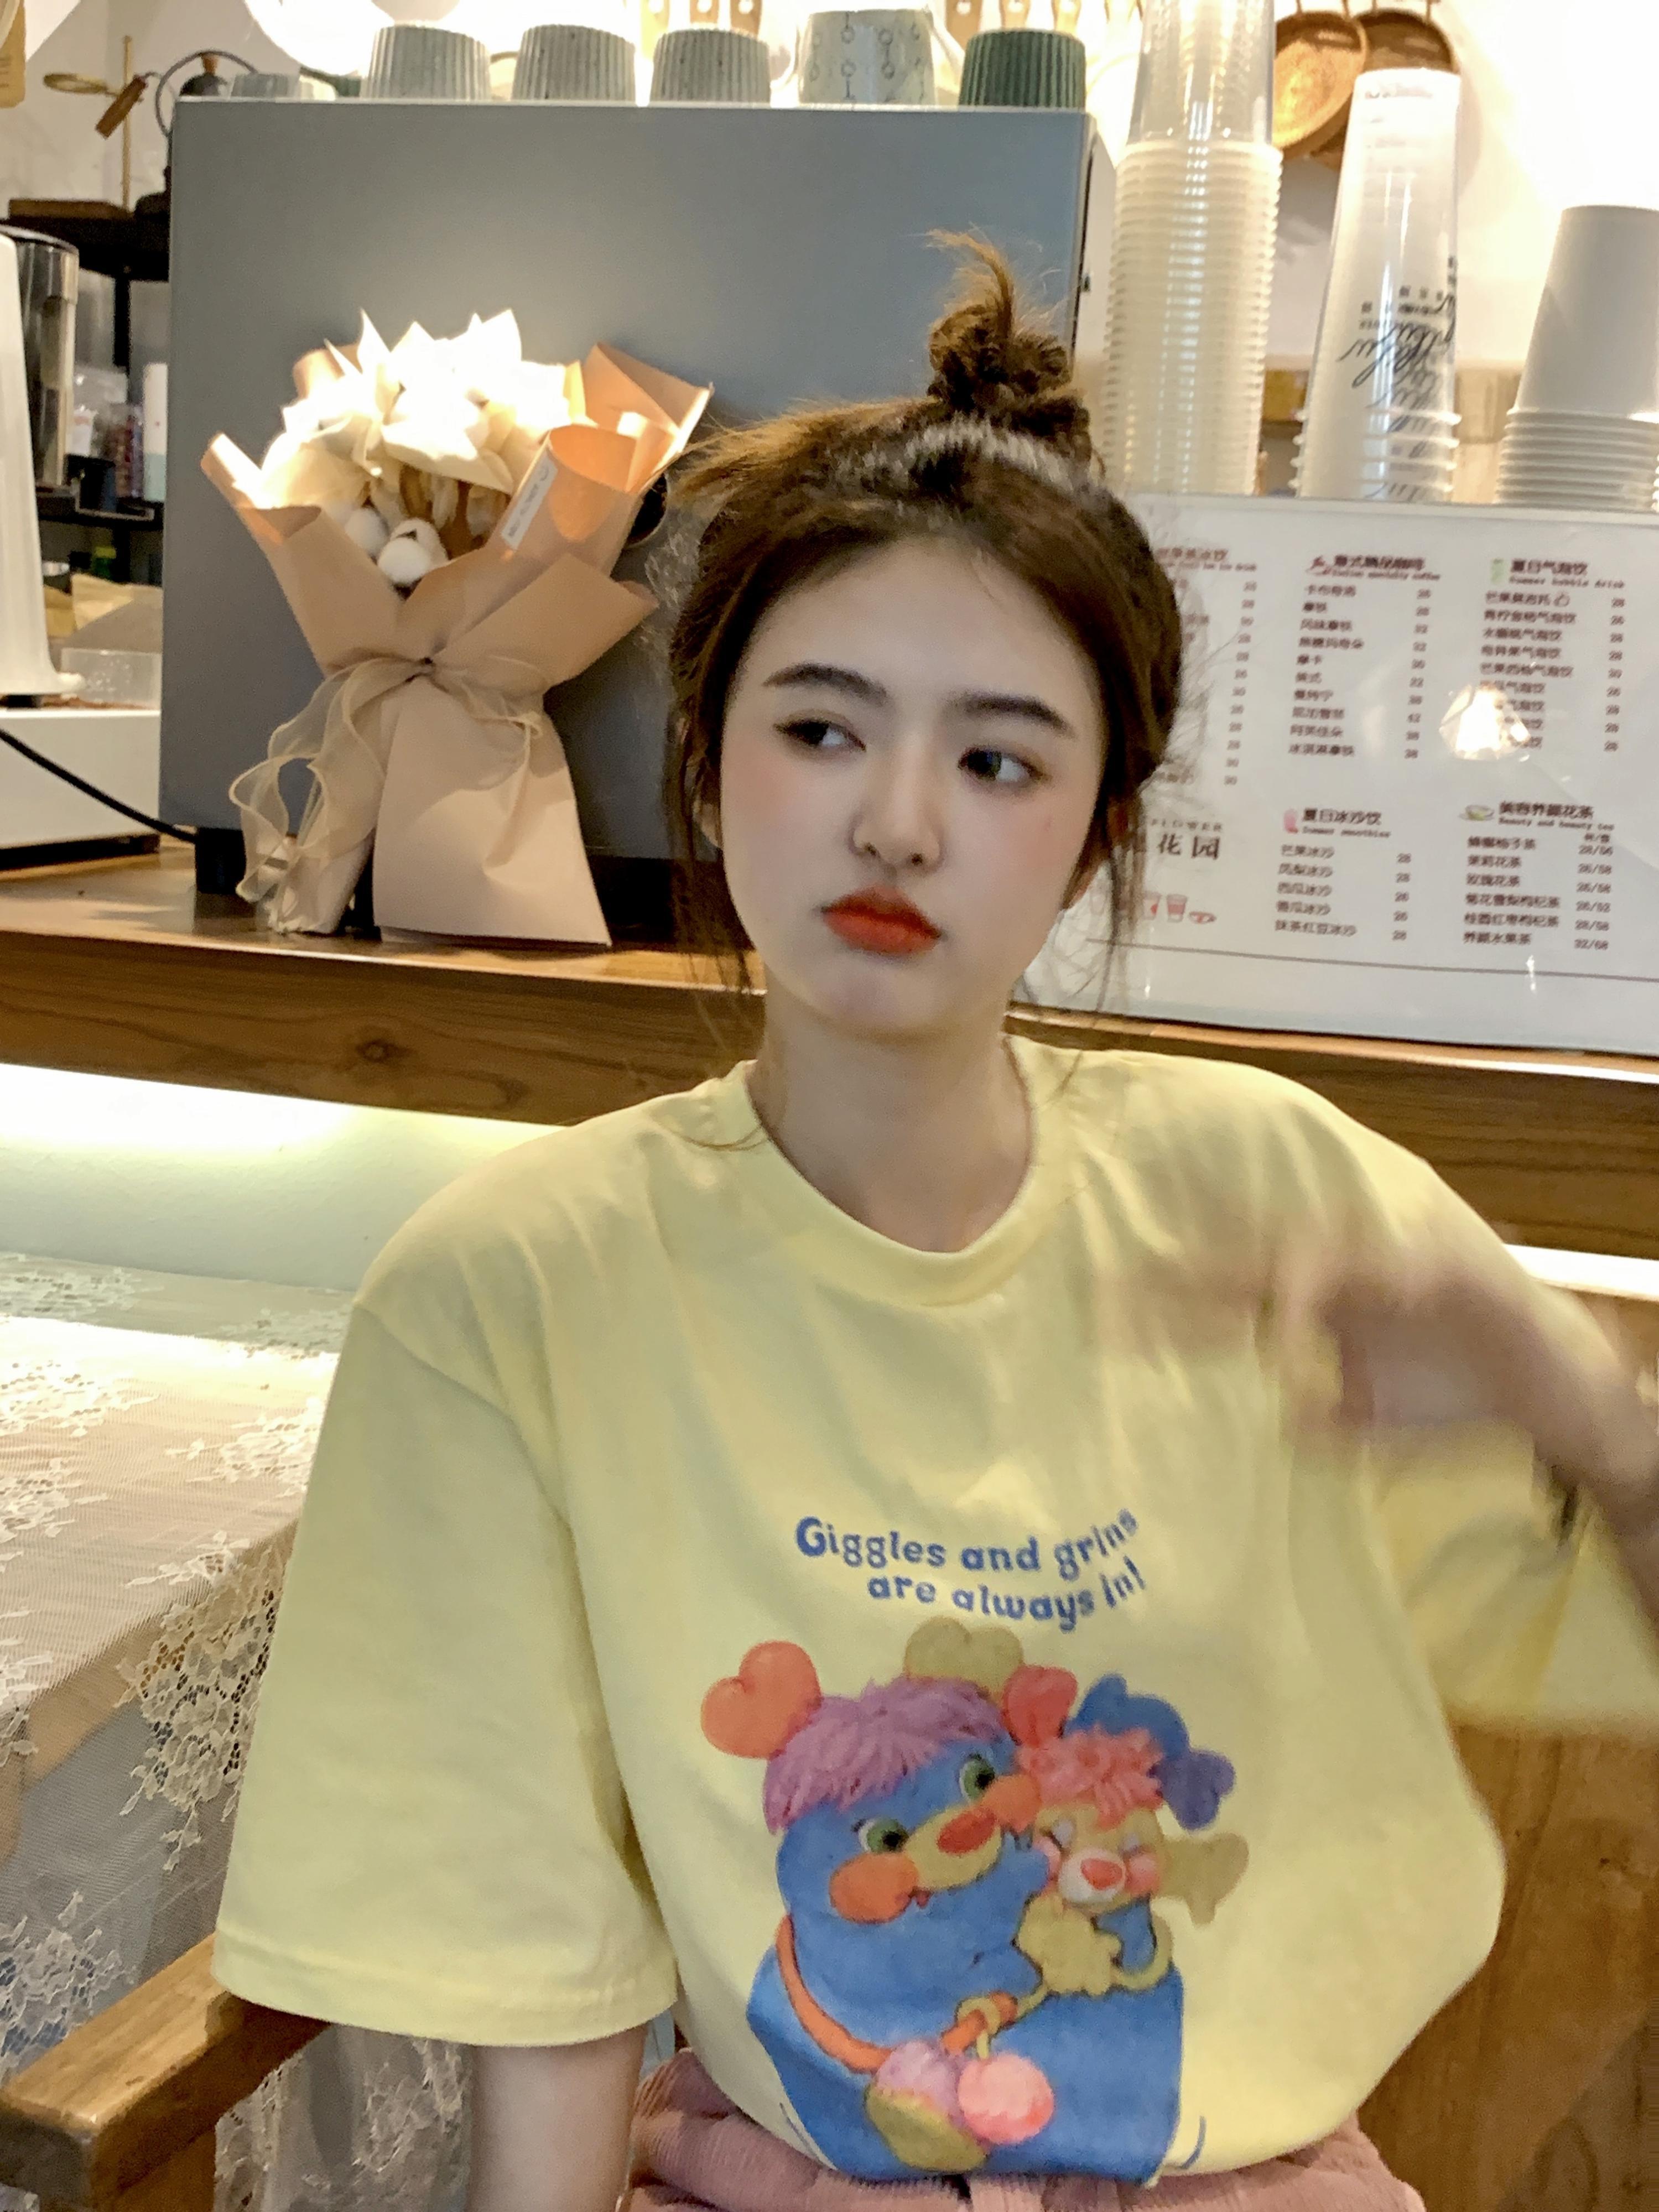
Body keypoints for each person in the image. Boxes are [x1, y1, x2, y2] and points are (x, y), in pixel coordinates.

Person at [215, 250, 1659, 2212]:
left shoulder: (1274, 1194)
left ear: (1098, 833)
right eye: (822, 730)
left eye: (997, 760)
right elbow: (534, 1951)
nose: (898, 820)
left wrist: (1582, 1411)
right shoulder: (510, 1291)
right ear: (706, 759)